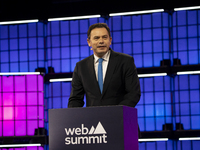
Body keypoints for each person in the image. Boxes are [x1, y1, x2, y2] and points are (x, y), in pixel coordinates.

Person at [68, 23, 141, 108]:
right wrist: (72, 119)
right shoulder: (81, 66)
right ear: (89, 42)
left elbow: (133, 94)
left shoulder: (125, 61)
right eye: (96, 38)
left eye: (104, 37)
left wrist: (116, 112)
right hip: (92, 120)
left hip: (119, 118)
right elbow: (75, 99)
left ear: (110, 40)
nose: (101, 41)